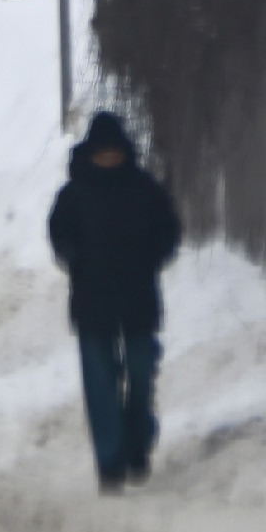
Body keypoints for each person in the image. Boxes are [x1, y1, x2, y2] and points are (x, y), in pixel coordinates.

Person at [47, 111, 181, 492]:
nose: (109, 158)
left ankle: (137, 444)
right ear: (91, 152)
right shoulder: (74, 194)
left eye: (114, 152)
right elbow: (59, 233)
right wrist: (74, 257)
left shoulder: (144, 189)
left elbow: (168, 229)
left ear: (124, 151)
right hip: (93, 301)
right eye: (102, 152)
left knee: (140, 372)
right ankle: (110, 463)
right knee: (101, 385)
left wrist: (154, 257)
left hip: (138, 298)